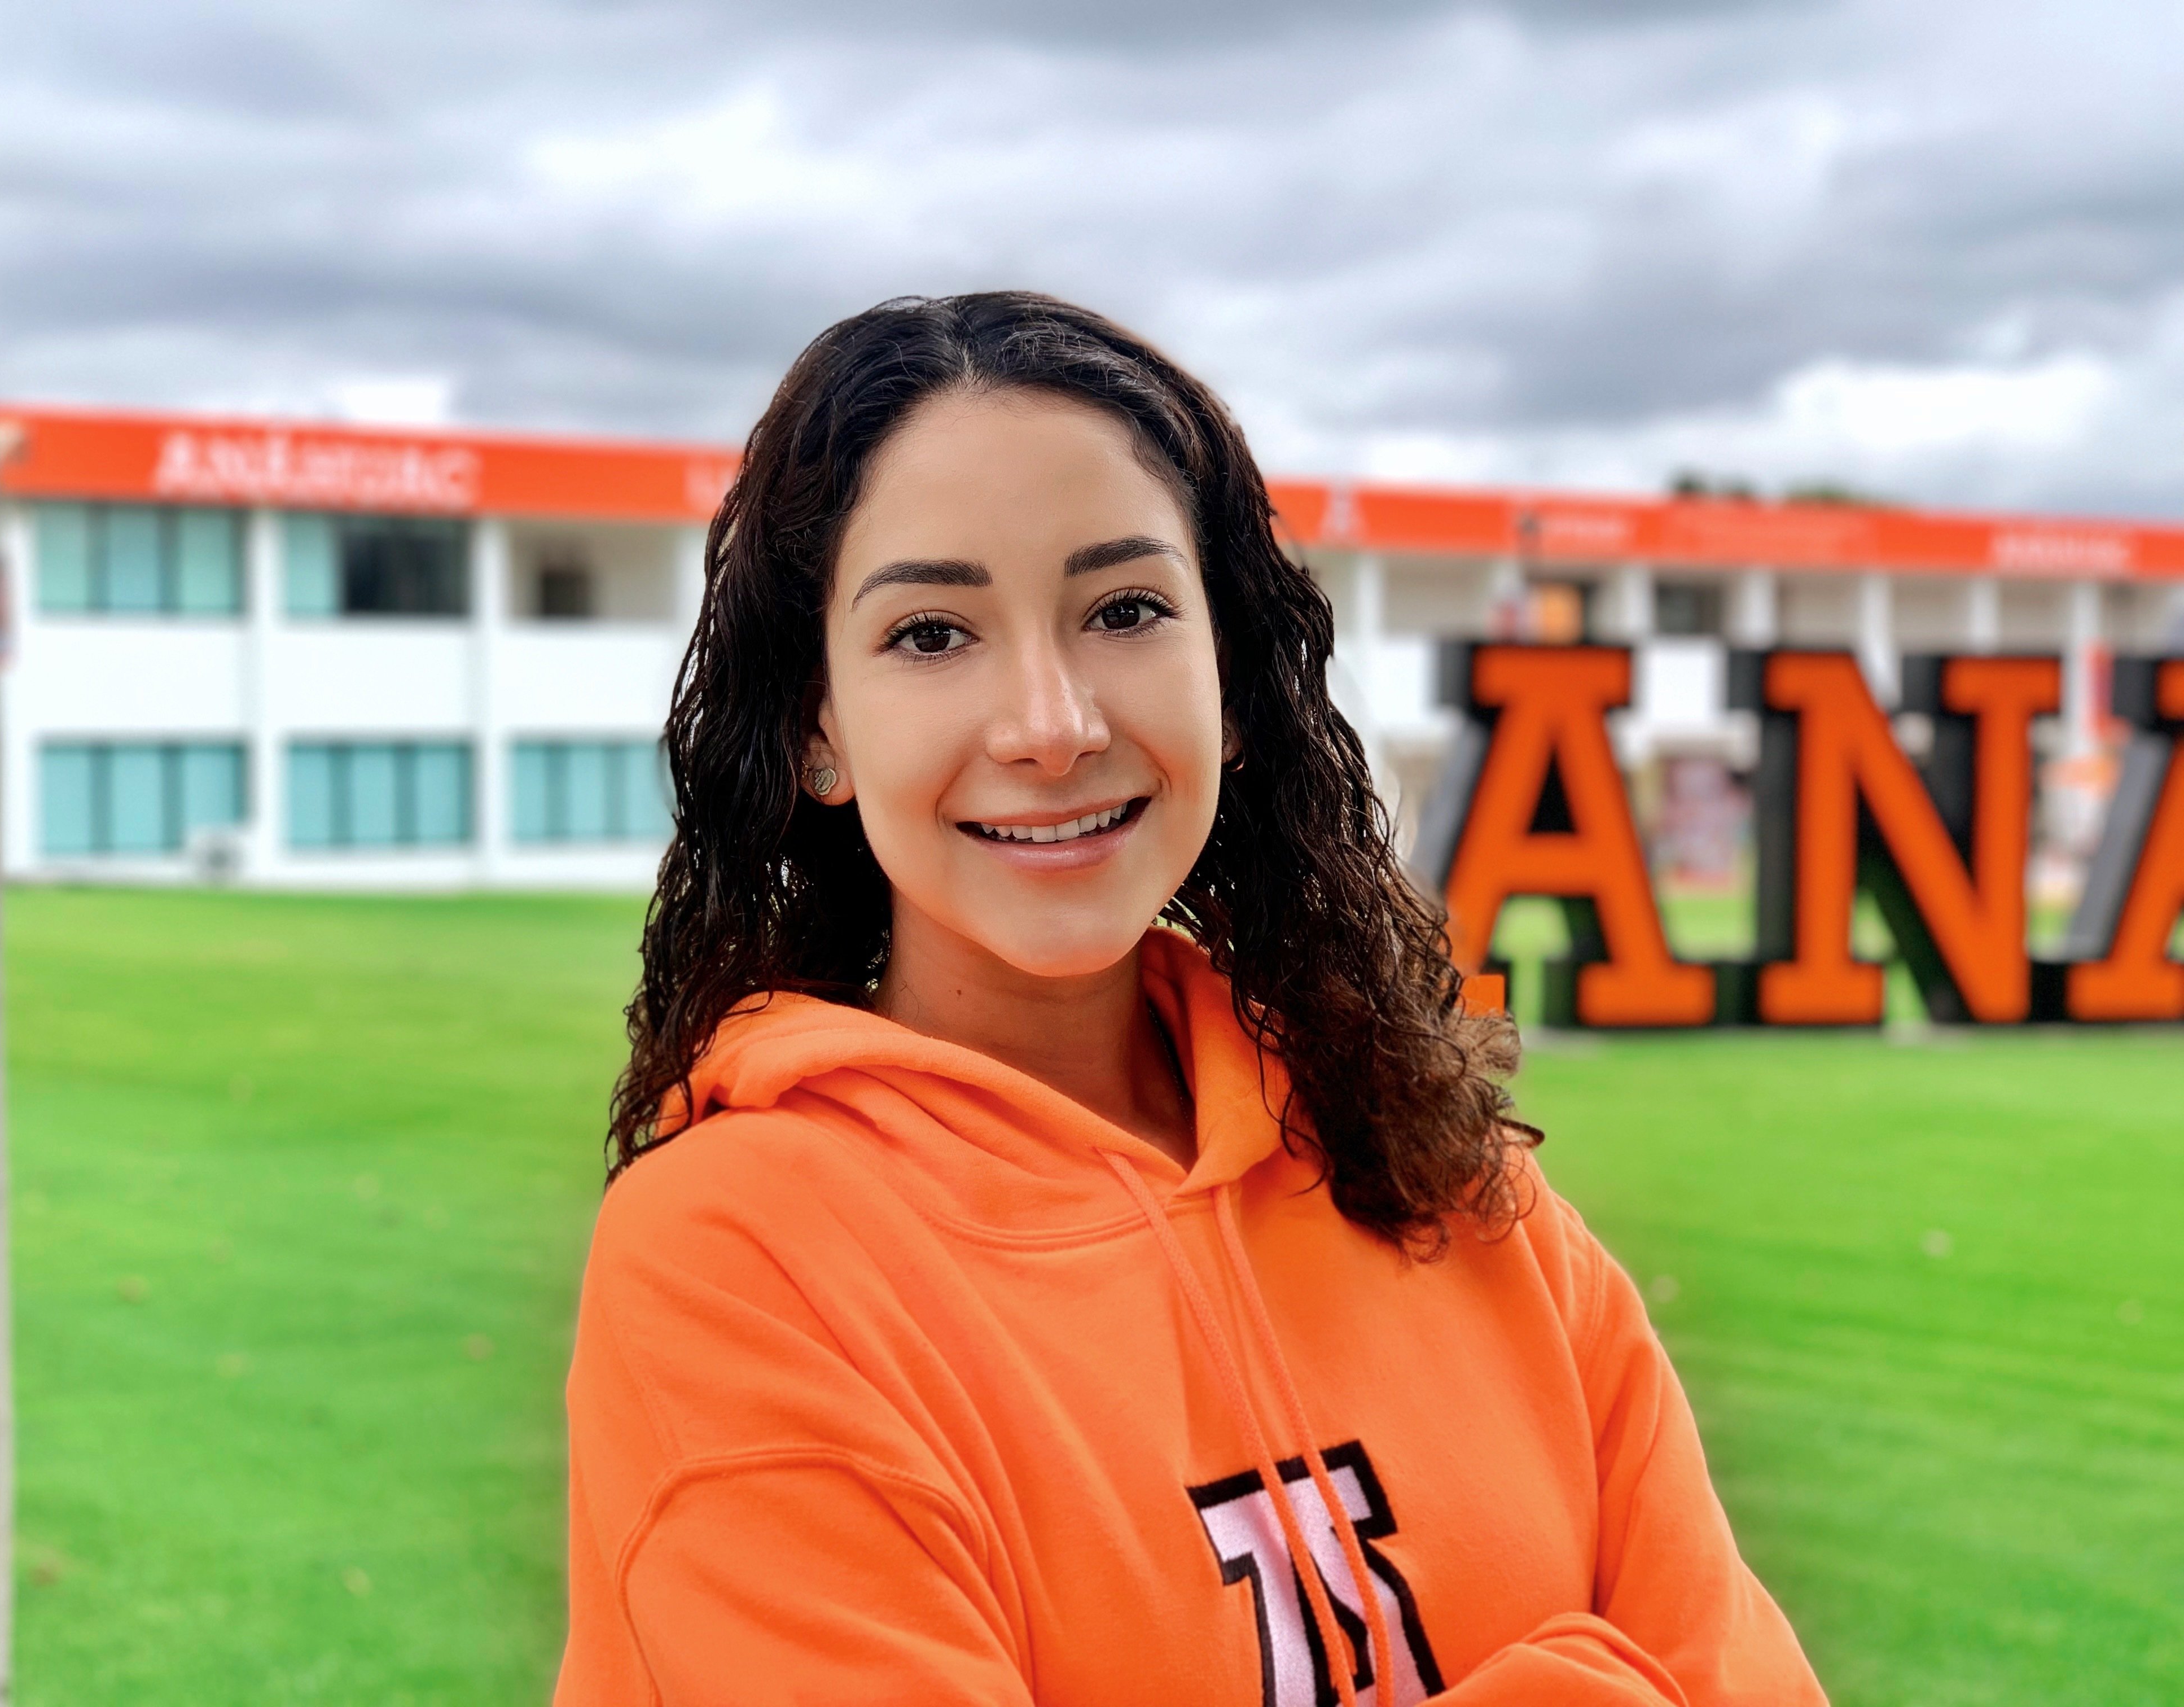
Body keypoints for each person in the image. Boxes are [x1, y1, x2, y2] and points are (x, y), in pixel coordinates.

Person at [555, 291, 1825, 1706]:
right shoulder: (741, 1257)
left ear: (1230, 676)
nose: (1053, 725)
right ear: (817, 729)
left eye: (1127, 610)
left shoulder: (1447, 1176)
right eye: (931, 634)